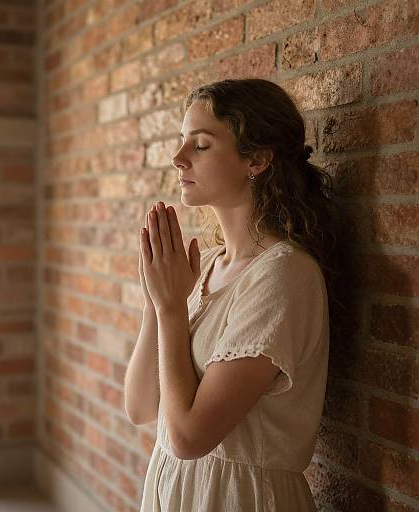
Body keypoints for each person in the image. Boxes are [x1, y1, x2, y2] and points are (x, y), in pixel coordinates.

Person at [124, 78, 345, 511]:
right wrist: (156, 299)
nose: (178, 159)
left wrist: (172, 309)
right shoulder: (203, 265)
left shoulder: (284, 276)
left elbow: (189, 437)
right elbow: (140, 406)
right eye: (181, 142)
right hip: (177, 492)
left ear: (257, 159)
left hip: (238, 499)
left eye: (201, 145)